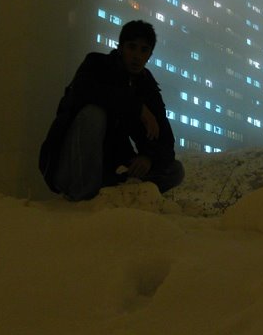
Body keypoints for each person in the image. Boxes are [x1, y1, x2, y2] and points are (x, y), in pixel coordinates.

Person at [39, 20, 184, 201]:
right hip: (70, 165)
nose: (137, 56)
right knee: (93, 114)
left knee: (175, 170)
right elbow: (84, 92)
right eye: (132, 47)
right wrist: (136, 107)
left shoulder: (146, 85)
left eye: (144, 50)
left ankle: (119, 193)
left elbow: (165, 138)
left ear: (150, 55)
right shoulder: (96, 64)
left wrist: (148, 157)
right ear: (121, 47)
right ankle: (84, 196)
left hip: (110, 168)